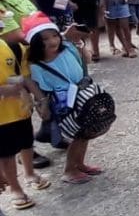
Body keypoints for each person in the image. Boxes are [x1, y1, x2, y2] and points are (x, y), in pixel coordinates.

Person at [22, 12, 103, 185]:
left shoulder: (67, 48)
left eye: (54, 35)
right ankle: (69, 170)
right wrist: (42, 107)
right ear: (35, 43)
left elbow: (86, 62)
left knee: (87, 131)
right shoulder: (37, 66)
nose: (52, 41)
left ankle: (79, 163)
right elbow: (40, 90)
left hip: (83, 95)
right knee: (78, 135)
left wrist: (80, 45)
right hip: (65, 104)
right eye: (44, 39)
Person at [0, 34, 49, 209]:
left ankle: (30, 173)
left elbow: (25, 76)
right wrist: (4, 91)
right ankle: (15, 188)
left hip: (21, 110)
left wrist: (40, 100)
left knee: (27, 143)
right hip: (1, 118)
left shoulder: (12, 47)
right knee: (6, 154)